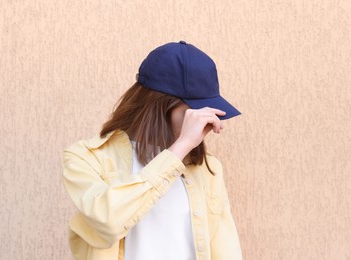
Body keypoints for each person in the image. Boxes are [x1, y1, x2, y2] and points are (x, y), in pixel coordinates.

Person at [62, 41, 243, 260]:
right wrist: (180, 147)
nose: (206, 124)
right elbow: (107, 221)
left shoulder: (208, 167)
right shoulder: (88, 158)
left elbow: (226, 248)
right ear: (162, 106)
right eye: (196, 113)